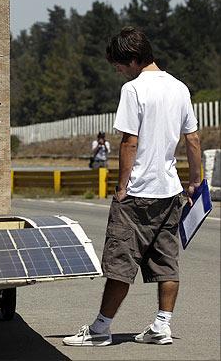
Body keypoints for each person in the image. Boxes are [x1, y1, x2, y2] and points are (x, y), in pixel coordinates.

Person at [63, 26, 202, 346]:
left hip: (137, 193)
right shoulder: (180, 88)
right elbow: (192, 140)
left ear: (135, 60)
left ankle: (100, 330)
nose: (118, 72)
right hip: (170, 192)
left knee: (119, 264)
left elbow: (129, 143)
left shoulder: (134, 90)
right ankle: (161, 326)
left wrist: (122, 186)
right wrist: (195, 183)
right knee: (167, 262)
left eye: (120, 65)